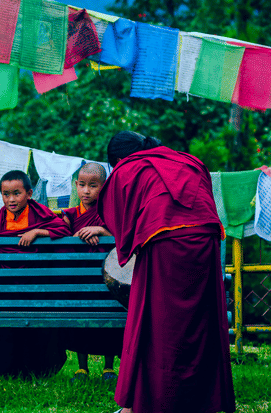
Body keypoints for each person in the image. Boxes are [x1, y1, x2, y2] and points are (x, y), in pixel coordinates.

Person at [98, 131, 235, 413]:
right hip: (207, 241)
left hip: (164, 241)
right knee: (201, 320)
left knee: (156, 323)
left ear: (119, 159)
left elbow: (115, 213)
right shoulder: (188, 160)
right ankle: (201, 400)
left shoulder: (129, 167)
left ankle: (142, 405)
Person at [0, 170, 71, 377]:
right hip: (4, 286)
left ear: (29, 193)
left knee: (40, 308)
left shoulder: (40, 213)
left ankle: (38, 369)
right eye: (6, 194)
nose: (11, 199)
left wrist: (38, 232)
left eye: (16, 193)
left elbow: (63, 230)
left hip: (34, 283)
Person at [60, 162, 123, 382]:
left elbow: (121, 237)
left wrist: (101, 230)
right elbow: (60, 239)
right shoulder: (69, 214)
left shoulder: (110, 213)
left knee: (109, 318)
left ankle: (108, 367)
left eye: (93, 186)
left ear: (104, 187)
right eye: (82, 185)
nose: (86, 191)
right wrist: (76, 236)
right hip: (79, 275)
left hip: (107, 277)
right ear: (76, 185)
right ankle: (82, 367)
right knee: (81, 319)